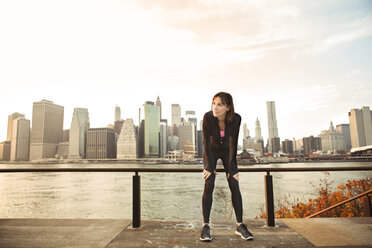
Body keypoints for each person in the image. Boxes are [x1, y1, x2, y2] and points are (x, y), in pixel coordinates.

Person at [200, 92, 254, 242]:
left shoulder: (236, 119)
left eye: (219, 104)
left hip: (227, 151)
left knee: (234, 183)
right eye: (213, 103)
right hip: (212, 150)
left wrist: (233, 169)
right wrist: (209, 167)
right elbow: (205, 142)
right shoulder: (208, 117)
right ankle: (205, 226)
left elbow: (233, 142)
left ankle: (240, 225)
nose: (215, 107)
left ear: (228, 107)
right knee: (209, 182)